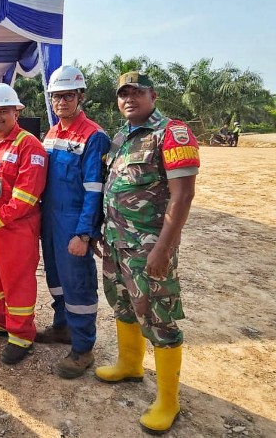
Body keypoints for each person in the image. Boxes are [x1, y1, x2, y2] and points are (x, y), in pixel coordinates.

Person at [97, 71, 199, 434]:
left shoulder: (171, 133)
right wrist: (102, 231)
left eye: (137, 93)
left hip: (149, 249)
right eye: (123, 94)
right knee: (123, 305)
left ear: (152, 95)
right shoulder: (121, 136)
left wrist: (163, 248)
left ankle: (168, 402)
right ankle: (130, 364)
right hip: (116, 243)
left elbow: (182, 196)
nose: (129, 99)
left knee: (158, 318)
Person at [38, 66, 110, 378]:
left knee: (78, 284)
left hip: (74, 222)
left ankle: (83, 348)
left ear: (80, 97)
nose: (61, 101)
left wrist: (84, 233)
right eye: (56, 96)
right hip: (50, 220)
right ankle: (62, 328)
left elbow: (95, 190)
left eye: (68, 95)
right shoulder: (52, 133)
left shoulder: (94, 136)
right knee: (55, 279)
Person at [0, 83, 47, 365]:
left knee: (16, 282)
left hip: (15, 228)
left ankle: (21, 336)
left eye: (2, 111)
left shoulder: (30, 145)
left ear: (16, 111)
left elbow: (27, 195)